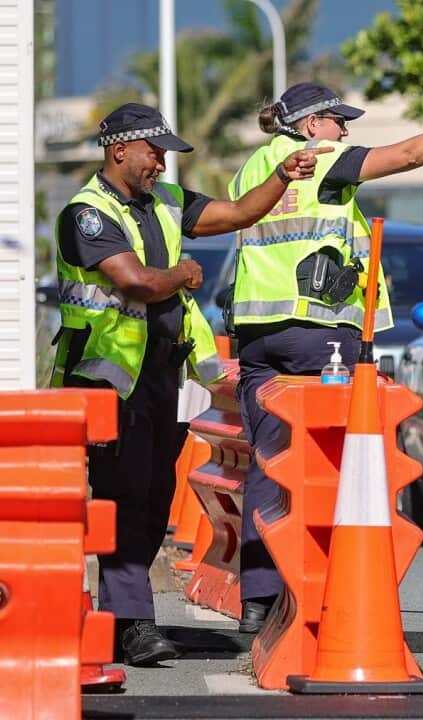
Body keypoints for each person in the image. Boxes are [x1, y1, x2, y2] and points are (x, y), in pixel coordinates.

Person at [227, 82, 423, 633]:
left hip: (257, 337)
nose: (347, 131)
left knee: (268, 464)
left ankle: (258, 599)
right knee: (336, 462)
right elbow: (409, 154)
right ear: (312, 124)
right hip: (318, 330)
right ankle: (327, 588)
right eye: (338, 121)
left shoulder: (252, 168)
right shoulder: (324, 159)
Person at [52, 103, 330, 666]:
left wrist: (282, 175)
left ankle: (121, 621)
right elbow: (135, 283)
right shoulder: (87, 213)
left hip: (161, 375)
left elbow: (237, 215)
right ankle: (134, 625)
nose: (161, 162)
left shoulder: (167, 203)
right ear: (119, 150)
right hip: (108, 381)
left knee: (154, 500)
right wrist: (183, 275)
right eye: (154, 151)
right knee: (125, 497)